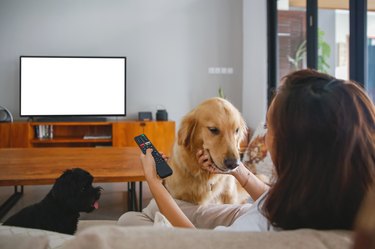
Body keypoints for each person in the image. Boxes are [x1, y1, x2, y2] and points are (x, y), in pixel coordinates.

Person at [118, 69, 375, 231]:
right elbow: (271, 200)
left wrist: (155, 183)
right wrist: (238, 171)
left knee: (132, 220)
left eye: (268, 126)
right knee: (139, 216)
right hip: (251, 208)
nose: (263, 134)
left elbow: (195, 242)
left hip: (240, 219)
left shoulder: (256, 229)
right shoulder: (328, 197)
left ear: (291, 147)